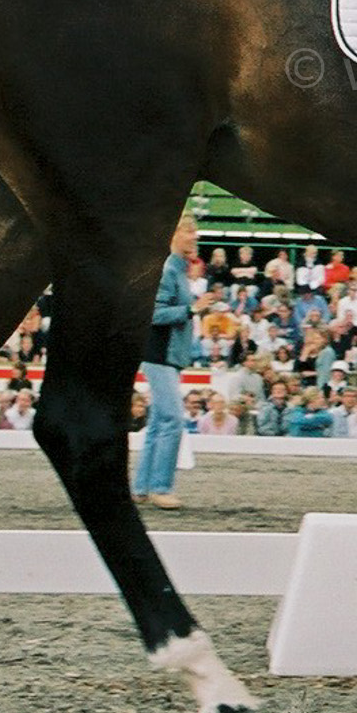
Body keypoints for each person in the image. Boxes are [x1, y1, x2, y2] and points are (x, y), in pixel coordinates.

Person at [133, 214, 201, 510]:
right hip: (160, 353)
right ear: (174, 234)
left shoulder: (176, 269)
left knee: (160, 422)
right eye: (190, 231)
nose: (195, 237)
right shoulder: (168, 269)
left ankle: (141, 487)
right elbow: (152, 313)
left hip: (163, 354)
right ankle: (161, 487)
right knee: (172, 419)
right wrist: (191, 309)